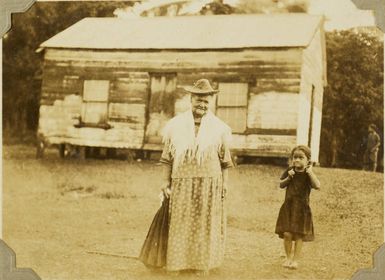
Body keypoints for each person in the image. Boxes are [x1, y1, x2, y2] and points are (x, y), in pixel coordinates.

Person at [146, 79, 233, 275]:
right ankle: (177, 263)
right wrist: (164, 182)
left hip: (209, 183)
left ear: (210, 103)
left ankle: (201, 264)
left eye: (206, 101)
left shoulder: (219, 128)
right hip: (182, 183)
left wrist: (225, 184)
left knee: (204, 224)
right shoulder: (175, 126)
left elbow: (225, 160)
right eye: (198, 100)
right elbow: (167, 158)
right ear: (190, 99)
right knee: (180, 223)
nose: (202, 104)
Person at [275, 145, 320, 269]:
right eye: (295, 157)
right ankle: (288, 257)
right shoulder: (290, 171)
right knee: (287, 234)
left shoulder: (308, 174)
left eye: (301, 157)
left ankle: (295, 260)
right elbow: (281, 185)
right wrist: (289, 177)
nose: (297, 160)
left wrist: (310, 172)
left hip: (302, 209)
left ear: (308, 160)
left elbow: (317, 185)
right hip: (288, 207)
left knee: (299, 235)